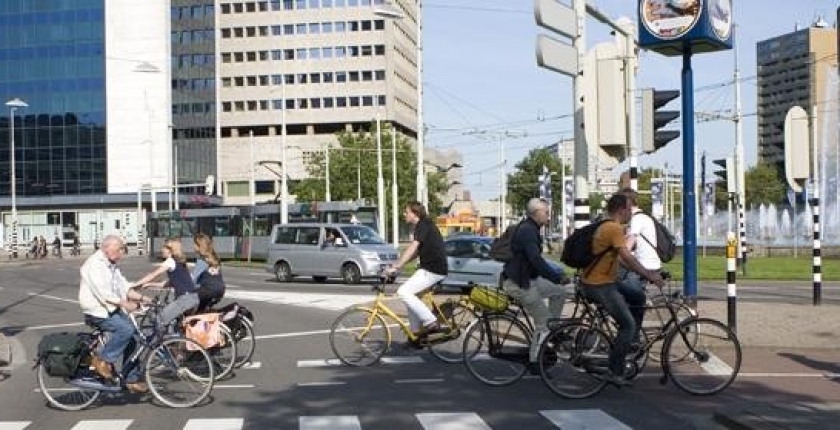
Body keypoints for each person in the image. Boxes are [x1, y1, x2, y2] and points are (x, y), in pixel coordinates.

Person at [579, 193, 665, 387]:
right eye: (628, 209)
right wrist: (650, 275)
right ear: (620, 210)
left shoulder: (603, 225)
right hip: (600, 284)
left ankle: (630, 341)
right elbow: (627, 257)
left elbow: (617, 258)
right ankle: (614, 370)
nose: (630, 213)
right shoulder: (613, 229)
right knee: (628, 325)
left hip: (601, 280)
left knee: (637, 296)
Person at [79, 235, 150, 393]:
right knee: (126, 330)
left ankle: (131, 379)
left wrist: (144, 299)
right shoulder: (95, 265)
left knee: (134, 338)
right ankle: (102, 360)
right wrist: (126, 304)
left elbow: (123, 286)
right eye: (119, 250)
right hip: (97, 311)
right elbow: (104, 293)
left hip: (110, 309)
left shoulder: (111, 265)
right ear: (107, 248)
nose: (121, 254)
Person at [502, 197, 569, 363]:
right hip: (519, 284)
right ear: (537, 213)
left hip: (530, 280)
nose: (549, 215)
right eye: (546, 212)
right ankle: (535, 361)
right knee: (543, 323)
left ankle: (552, 332)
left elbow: (537, 261)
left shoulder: (531, 228)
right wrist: (556, 277)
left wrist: (557, 281)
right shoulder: (527, 231)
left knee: (559, 292)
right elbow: (536, 260)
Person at [385, 201, 448, 344]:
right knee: (411, 296)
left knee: (403, 292)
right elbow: (415, 253)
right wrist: (398, 265)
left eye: (406, 212)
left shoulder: (423, 225)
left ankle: (431, 322)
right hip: (429, 268)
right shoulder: (423, 225)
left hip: (433, 270)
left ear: (415, 213)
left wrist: (397, 266)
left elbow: (413, 247)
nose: (404, 214)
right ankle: (415, 335)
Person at [617, 188, 660, 343]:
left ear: (627, 203)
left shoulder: (638, 219)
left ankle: (632, 339)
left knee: (633, 301)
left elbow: (628, 245)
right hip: (646, 263)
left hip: (645, 265)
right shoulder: (639, 218)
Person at [135, 239, 198, 331]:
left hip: (185, 299)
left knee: (160, 319)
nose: (162, 250)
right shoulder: (180, 262)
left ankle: (163, 343)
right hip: (193, 298)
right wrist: (149, 284)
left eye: (164, 247)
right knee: (172, 322)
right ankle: (174, 341)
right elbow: (168, 283)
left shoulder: (170, 261)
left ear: (170, 250)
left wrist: (136, 284)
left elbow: (153, 274)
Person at [191, 233, 226, 311]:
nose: (192, 246)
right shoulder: (215, 258)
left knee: (186, 301)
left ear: (199, 245)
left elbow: (193, 279)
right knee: (201, 311)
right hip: (220, 290)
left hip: (208, 290)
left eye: (194, 244)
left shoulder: (202, 260)